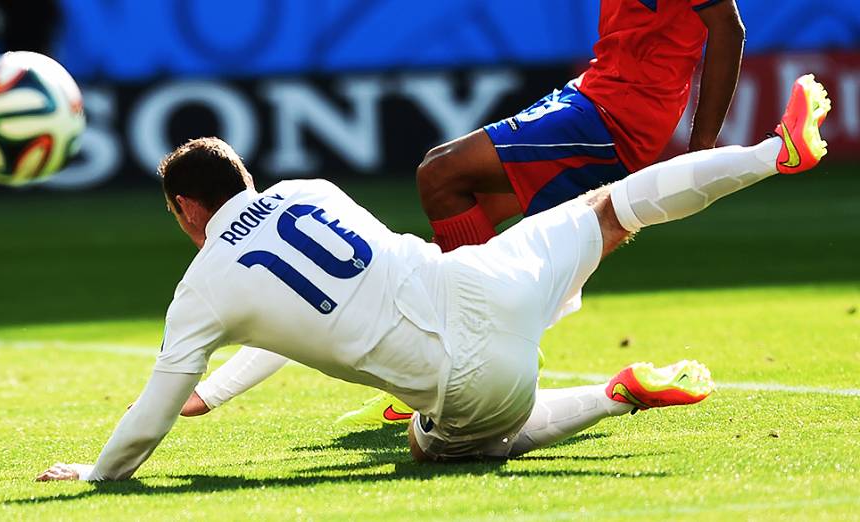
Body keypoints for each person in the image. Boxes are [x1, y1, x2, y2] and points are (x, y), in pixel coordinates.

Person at [36, 74, 829, 479]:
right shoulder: (308, 191)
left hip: (475, 384)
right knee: (614, 207)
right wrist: (224, 387)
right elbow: (291, 311)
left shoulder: (206, 283)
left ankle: (615, 393)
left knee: (431, 444)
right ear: (246, 176)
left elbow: (150, 416)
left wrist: (100, 471)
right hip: (487, 278)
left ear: (184, 210)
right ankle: (773, 152)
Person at [184, 0, 749, 426]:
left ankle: (463, 339)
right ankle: (471, 346)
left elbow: (728, 24)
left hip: (620, 108)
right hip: (598, 89)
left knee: (441, 172)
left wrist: (701, 150)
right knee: (502, 207)